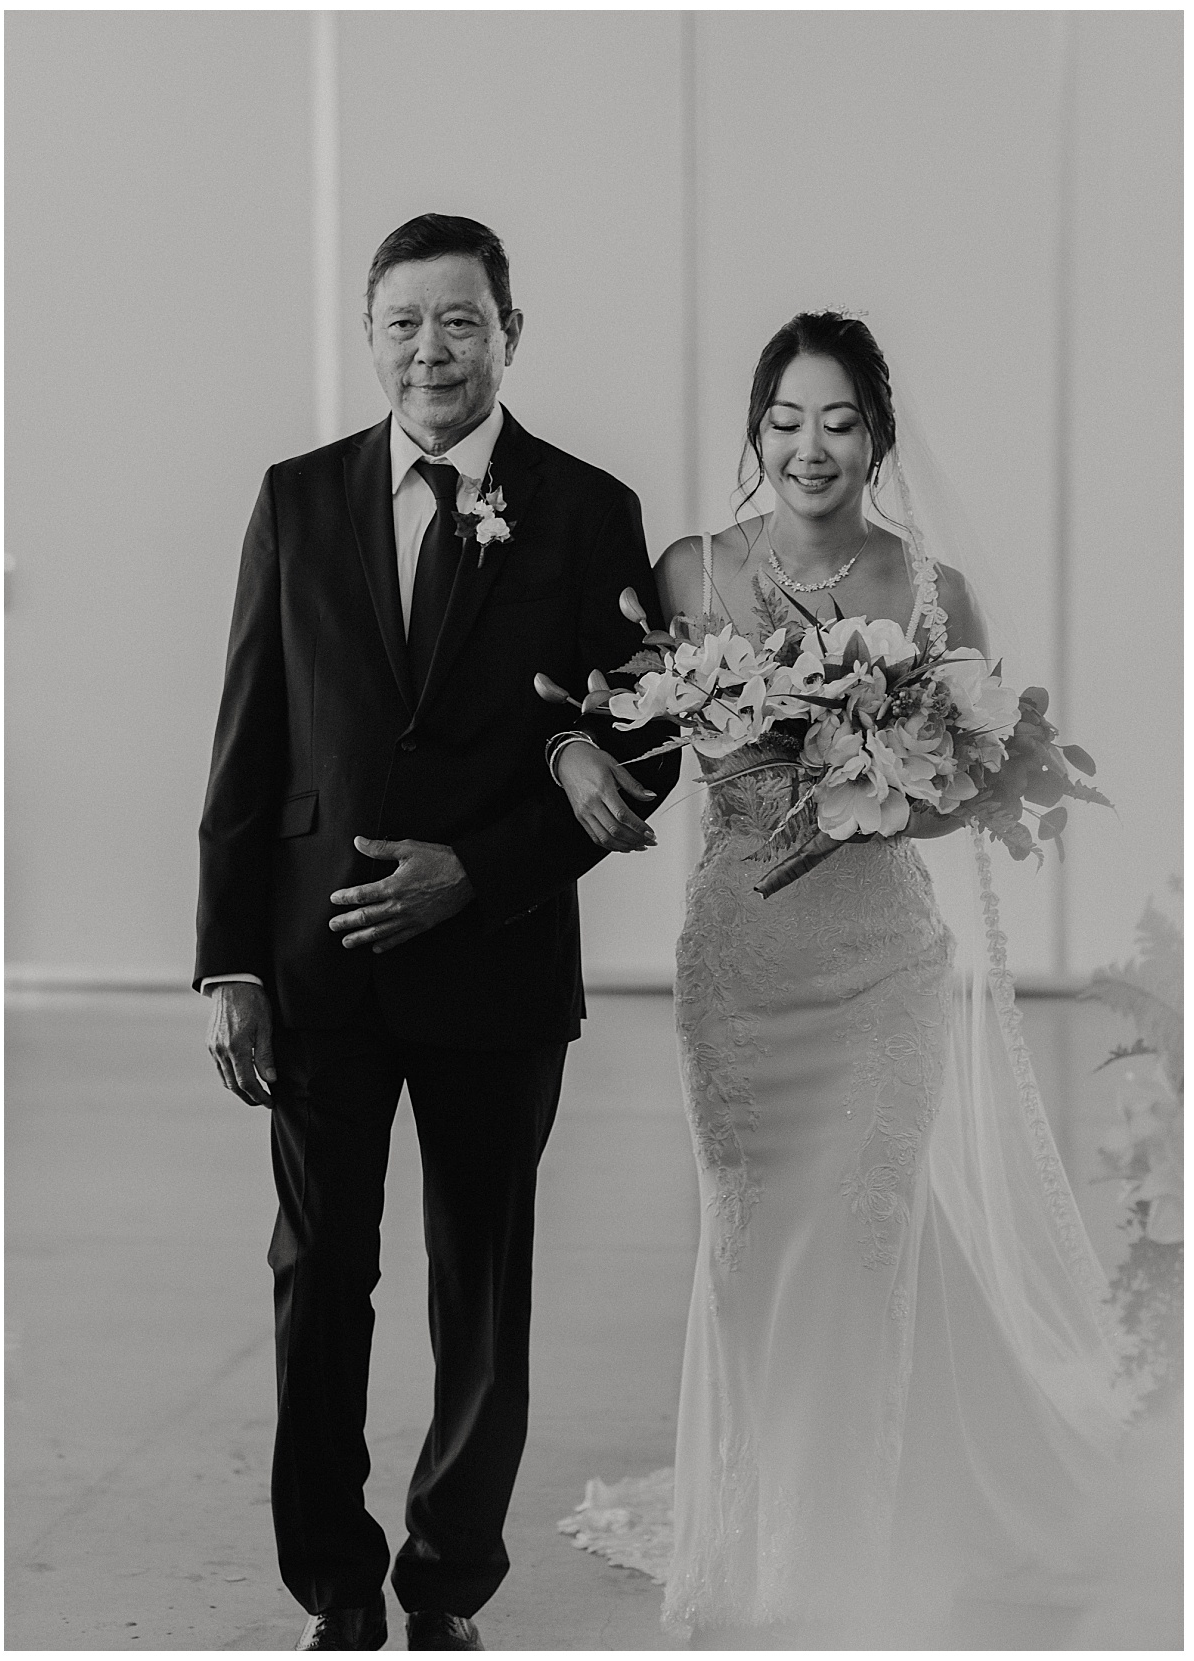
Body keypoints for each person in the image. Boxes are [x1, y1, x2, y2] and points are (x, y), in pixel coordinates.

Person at [553, 313, 1129, 1647]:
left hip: (882, 967)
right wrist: (579, 761)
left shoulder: (931, 591)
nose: (811, 446)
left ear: (875, 434)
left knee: (862, 1247)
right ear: (757, 432)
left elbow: (971, 790)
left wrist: (875, 787)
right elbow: (625, 727)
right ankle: (757, 1531)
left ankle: (844, 1560)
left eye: (839, 422)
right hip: (740, 967)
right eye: (786, 420)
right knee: (759, 1258)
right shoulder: (692, 574)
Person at [195, 213, 679, 1652]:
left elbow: (640, 748)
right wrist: (229, 959)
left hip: (499, 963)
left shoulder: (590, 510)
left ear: (509, 333)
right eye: (405, 321)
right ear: (370, 332)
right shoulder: (295, 501)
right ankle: (334, 1585)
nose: (432, 349)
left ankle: (449, 1579)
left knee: (484, 1279)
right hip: (316, 961)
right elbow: (247, 744)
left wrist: (477, 870)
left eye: (460, 320)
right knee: (317, 1273)